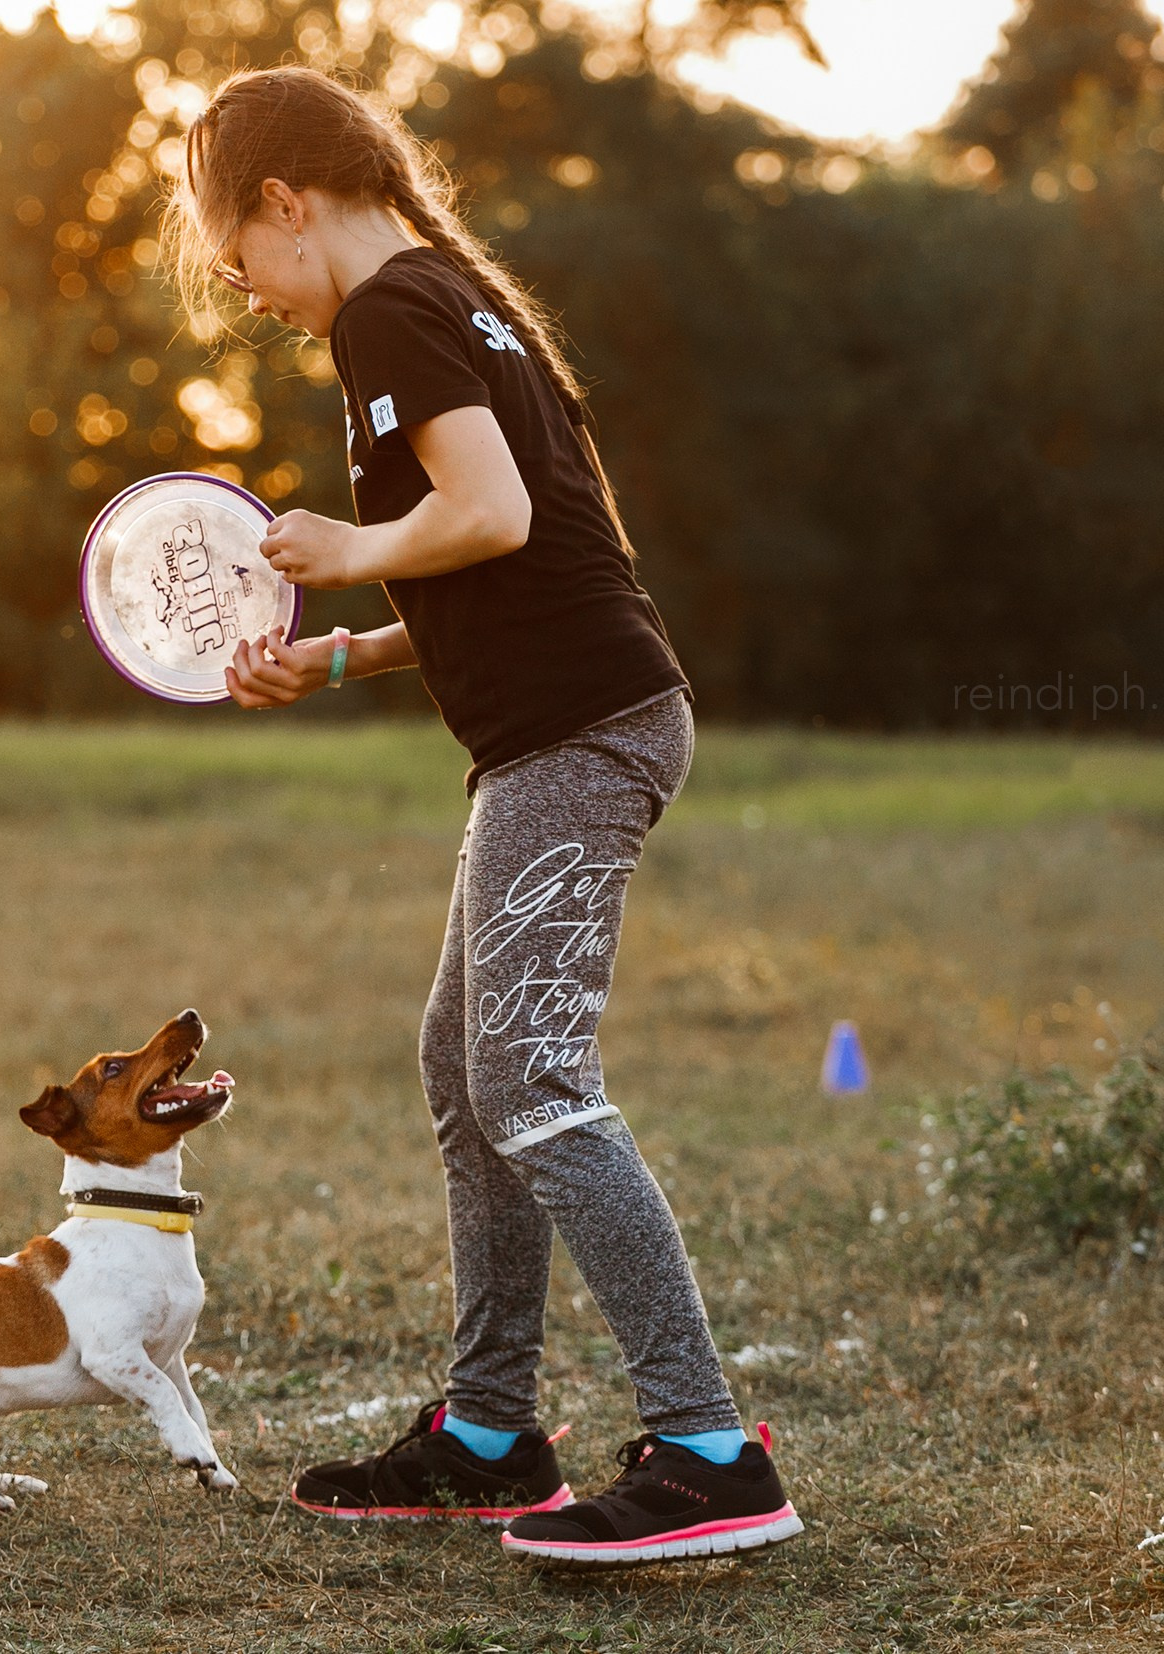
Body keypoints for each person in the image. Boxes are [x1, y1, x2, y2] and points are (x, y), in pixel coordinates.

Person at [165, 66, 801, 1565]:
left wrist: (341, 543)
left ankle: (710, 1450)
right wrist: (348, 649)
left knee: (532, 1080)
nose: (242, 288)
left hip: (579, 735)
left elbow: (490, 519)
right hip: (567, 723)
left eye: (233, 250)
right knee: (465, 1068)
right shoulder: (454, 293)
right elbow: (512, 556)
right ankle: (490, 1430)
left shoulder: (393, 309)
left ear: (285, 199)